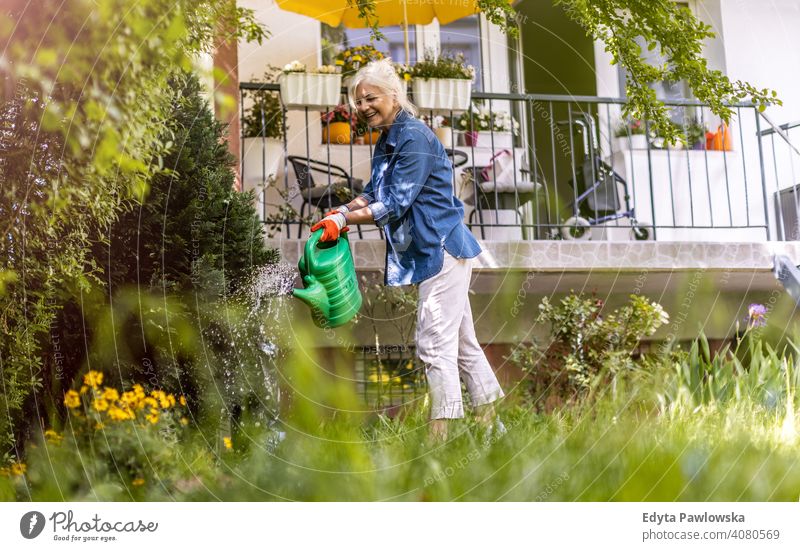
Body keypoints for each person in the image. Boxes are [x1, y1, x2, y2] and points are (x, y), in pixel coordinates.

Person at [310, 59, 504, 442]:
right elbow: (374, 192)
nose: (362, 106)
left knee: (434, 342)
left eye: (371, 97)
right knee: (462, 344)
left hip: (442, 248)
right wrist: (342, 211)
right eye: (357, 100)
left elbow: (395, 203)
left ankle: (440, 436)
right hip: (432, 249)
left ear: (394, 95)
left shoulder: (413, 136)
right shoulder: (387, 138)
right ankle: (491, 427)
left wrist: (344, 223)